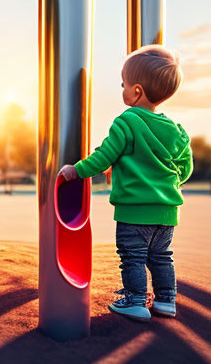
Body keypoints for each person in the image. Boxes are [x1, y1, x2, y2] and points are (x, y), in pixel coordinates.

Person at [59, 45, 192, 321]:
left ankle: (135, 301)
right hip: (167, 211)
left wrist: (77, 170)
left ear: (137, 91)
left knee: (133, 256)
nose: (123, 89)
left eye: (124, 84)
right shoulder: (176, 130)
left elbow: (104, 155)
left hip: (134, 210)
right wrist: (167, 182)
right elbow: (185, 168)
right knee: (161, 256)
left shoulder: (127, 122)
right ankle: (167, 301)